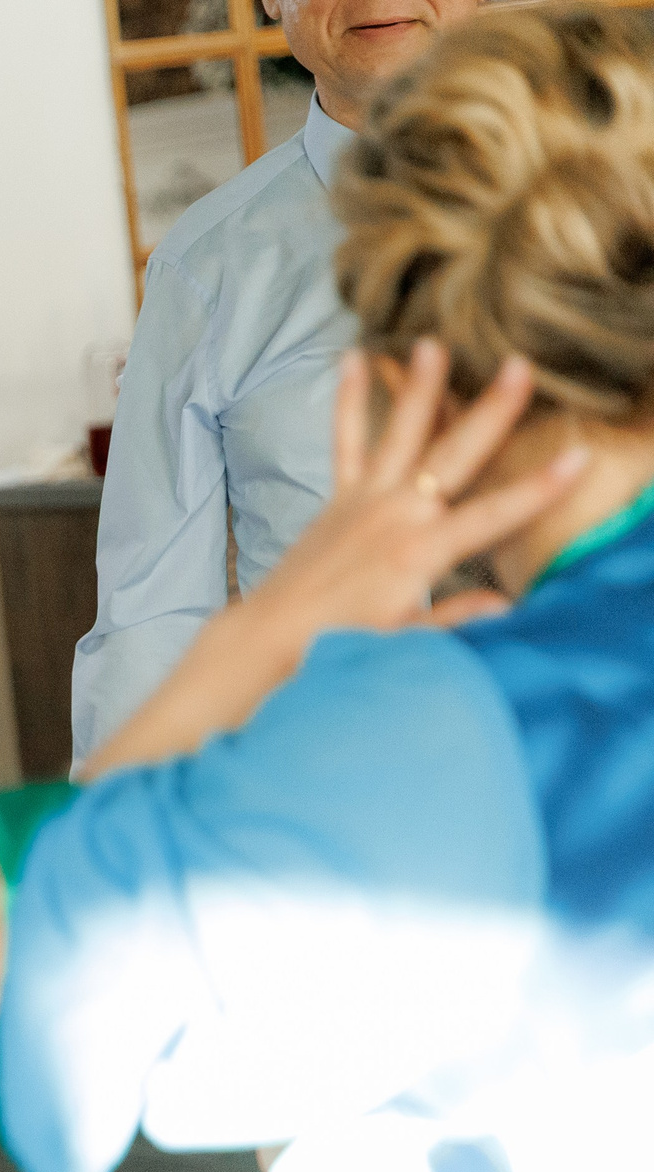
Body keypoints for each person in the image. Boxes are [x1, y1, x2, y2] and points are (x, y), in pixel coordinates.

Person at [0, 8, 654, 1172]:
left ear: (404, 378)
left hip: (359, 949)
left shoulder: (403, 753)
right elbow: (140, 614)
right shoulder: (215, 266)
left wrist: (297, 613)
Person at [72, 0, 481, 763]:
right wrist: (119, 857)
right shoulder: (207, 269)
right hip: (339, 798)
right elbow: (150, 618)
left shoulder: (616, 215)